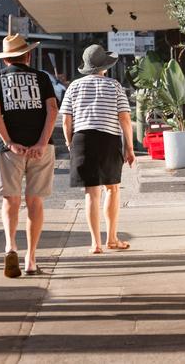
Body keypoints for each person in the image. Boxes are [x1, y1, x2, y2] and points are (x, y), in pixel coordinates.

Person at [0, 34, 58, 278]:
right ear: (28, 55)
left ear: (6, 59)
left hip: (10, 149)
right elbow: (52, 109)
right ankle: (30, 260)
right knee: (35, 201)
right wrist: (40, 142)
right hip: (41, 148)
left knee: (11, 200)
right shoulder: (41, 77)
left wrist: (9, 142)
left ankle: (10, 245)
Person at [60, 44, 135, 254]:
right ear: (105, 67)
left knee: (91, 193)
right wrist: (129, 147)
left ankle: (95, 243)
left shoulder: (73, 87)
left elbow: (66, 119)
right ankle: (112, 239)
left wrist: (69, 142)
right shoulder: (114, 86)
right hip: (108, 138)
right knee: (112, 188)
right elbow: (125, 119)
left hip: (82, 138)